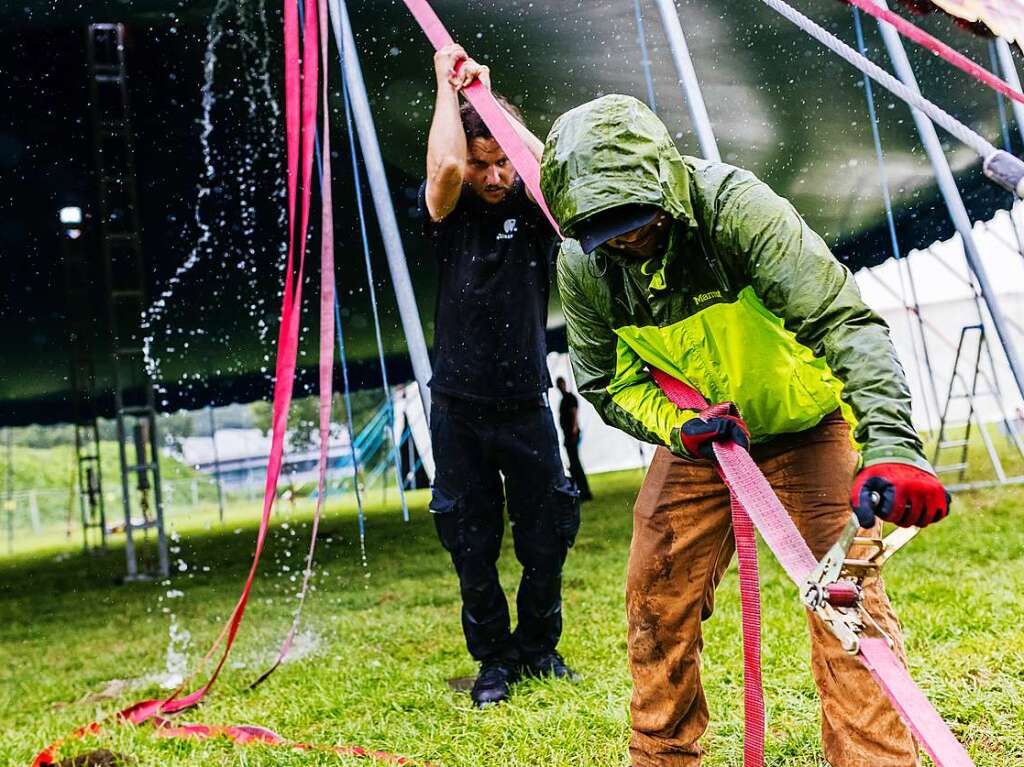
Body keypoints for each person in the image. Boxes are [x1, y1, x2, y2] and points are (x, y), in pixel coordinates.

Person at [539, 94, 950, 767]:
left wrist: (893, 446)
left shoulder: (737, 210)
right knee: (655, 597)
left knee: (845, 604)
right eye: (604, 229)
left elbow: (845, 323)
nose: (625, 239)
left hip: (809, 423)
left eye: (636, 220)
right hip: (704, 440)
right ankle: (662, 756)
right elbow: (607, 383)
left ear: (666, 189)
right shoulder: (585, 266)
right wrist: (681, 427)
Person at [421, 43, 580, 708]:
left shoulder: (536, 212)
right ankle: (493, 661)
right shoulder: (448, 209)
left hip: (524, 401)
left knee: (549, 529)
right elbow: (450, 165)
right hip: (458, 405)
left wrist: (493, 107)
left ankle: (539, 646)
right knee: (470, 539)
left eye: (501, 162)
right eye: (483, 162)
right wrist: (444, 83)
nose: (491, 175)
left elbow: (557, 175)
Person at [555, 376, 592, 501]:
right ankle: (581, 491)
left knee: (575, 464)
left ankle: (584, 492)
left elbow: (574, 412)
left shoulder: (569, 398)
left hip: (572, 435)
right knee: (574, 464)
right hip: (568, 435)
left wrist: (574, 428)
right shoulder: (564, 400)